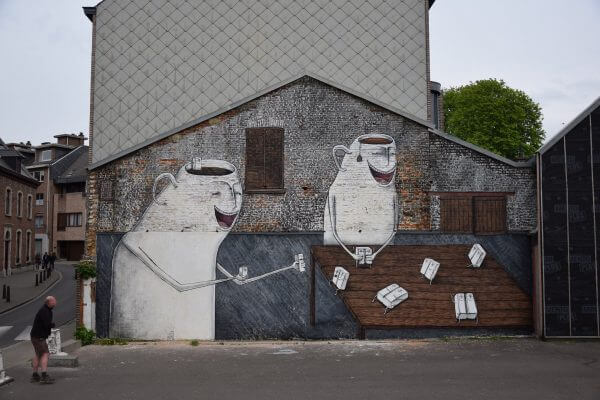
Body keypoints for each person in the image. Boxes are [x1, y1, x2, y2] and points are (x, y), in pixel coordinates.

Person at [30, 296, 57, 384]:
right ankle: (44, 376)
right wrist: (52, 325)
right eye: (54, 301)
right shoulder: (45, 311)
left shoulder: (45, 310)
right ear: (49, 302)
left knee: (38, 354)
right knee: (45, 354)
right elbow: (46, 324)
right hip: (39, 337)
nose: (55, 302)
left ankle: (34, 376)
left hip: (36, 336)